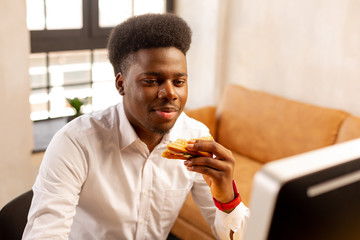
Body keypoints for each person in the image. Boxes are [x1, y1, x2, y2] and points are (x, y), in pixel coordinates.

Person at [23, 13, 249, 240]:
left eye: (179, 82)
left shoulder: (196, 138)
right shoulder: (75, 143)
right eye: (152, 81)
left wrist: (227, 199)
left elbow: (234, 237)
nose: (170, 93)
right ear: (121, 84)